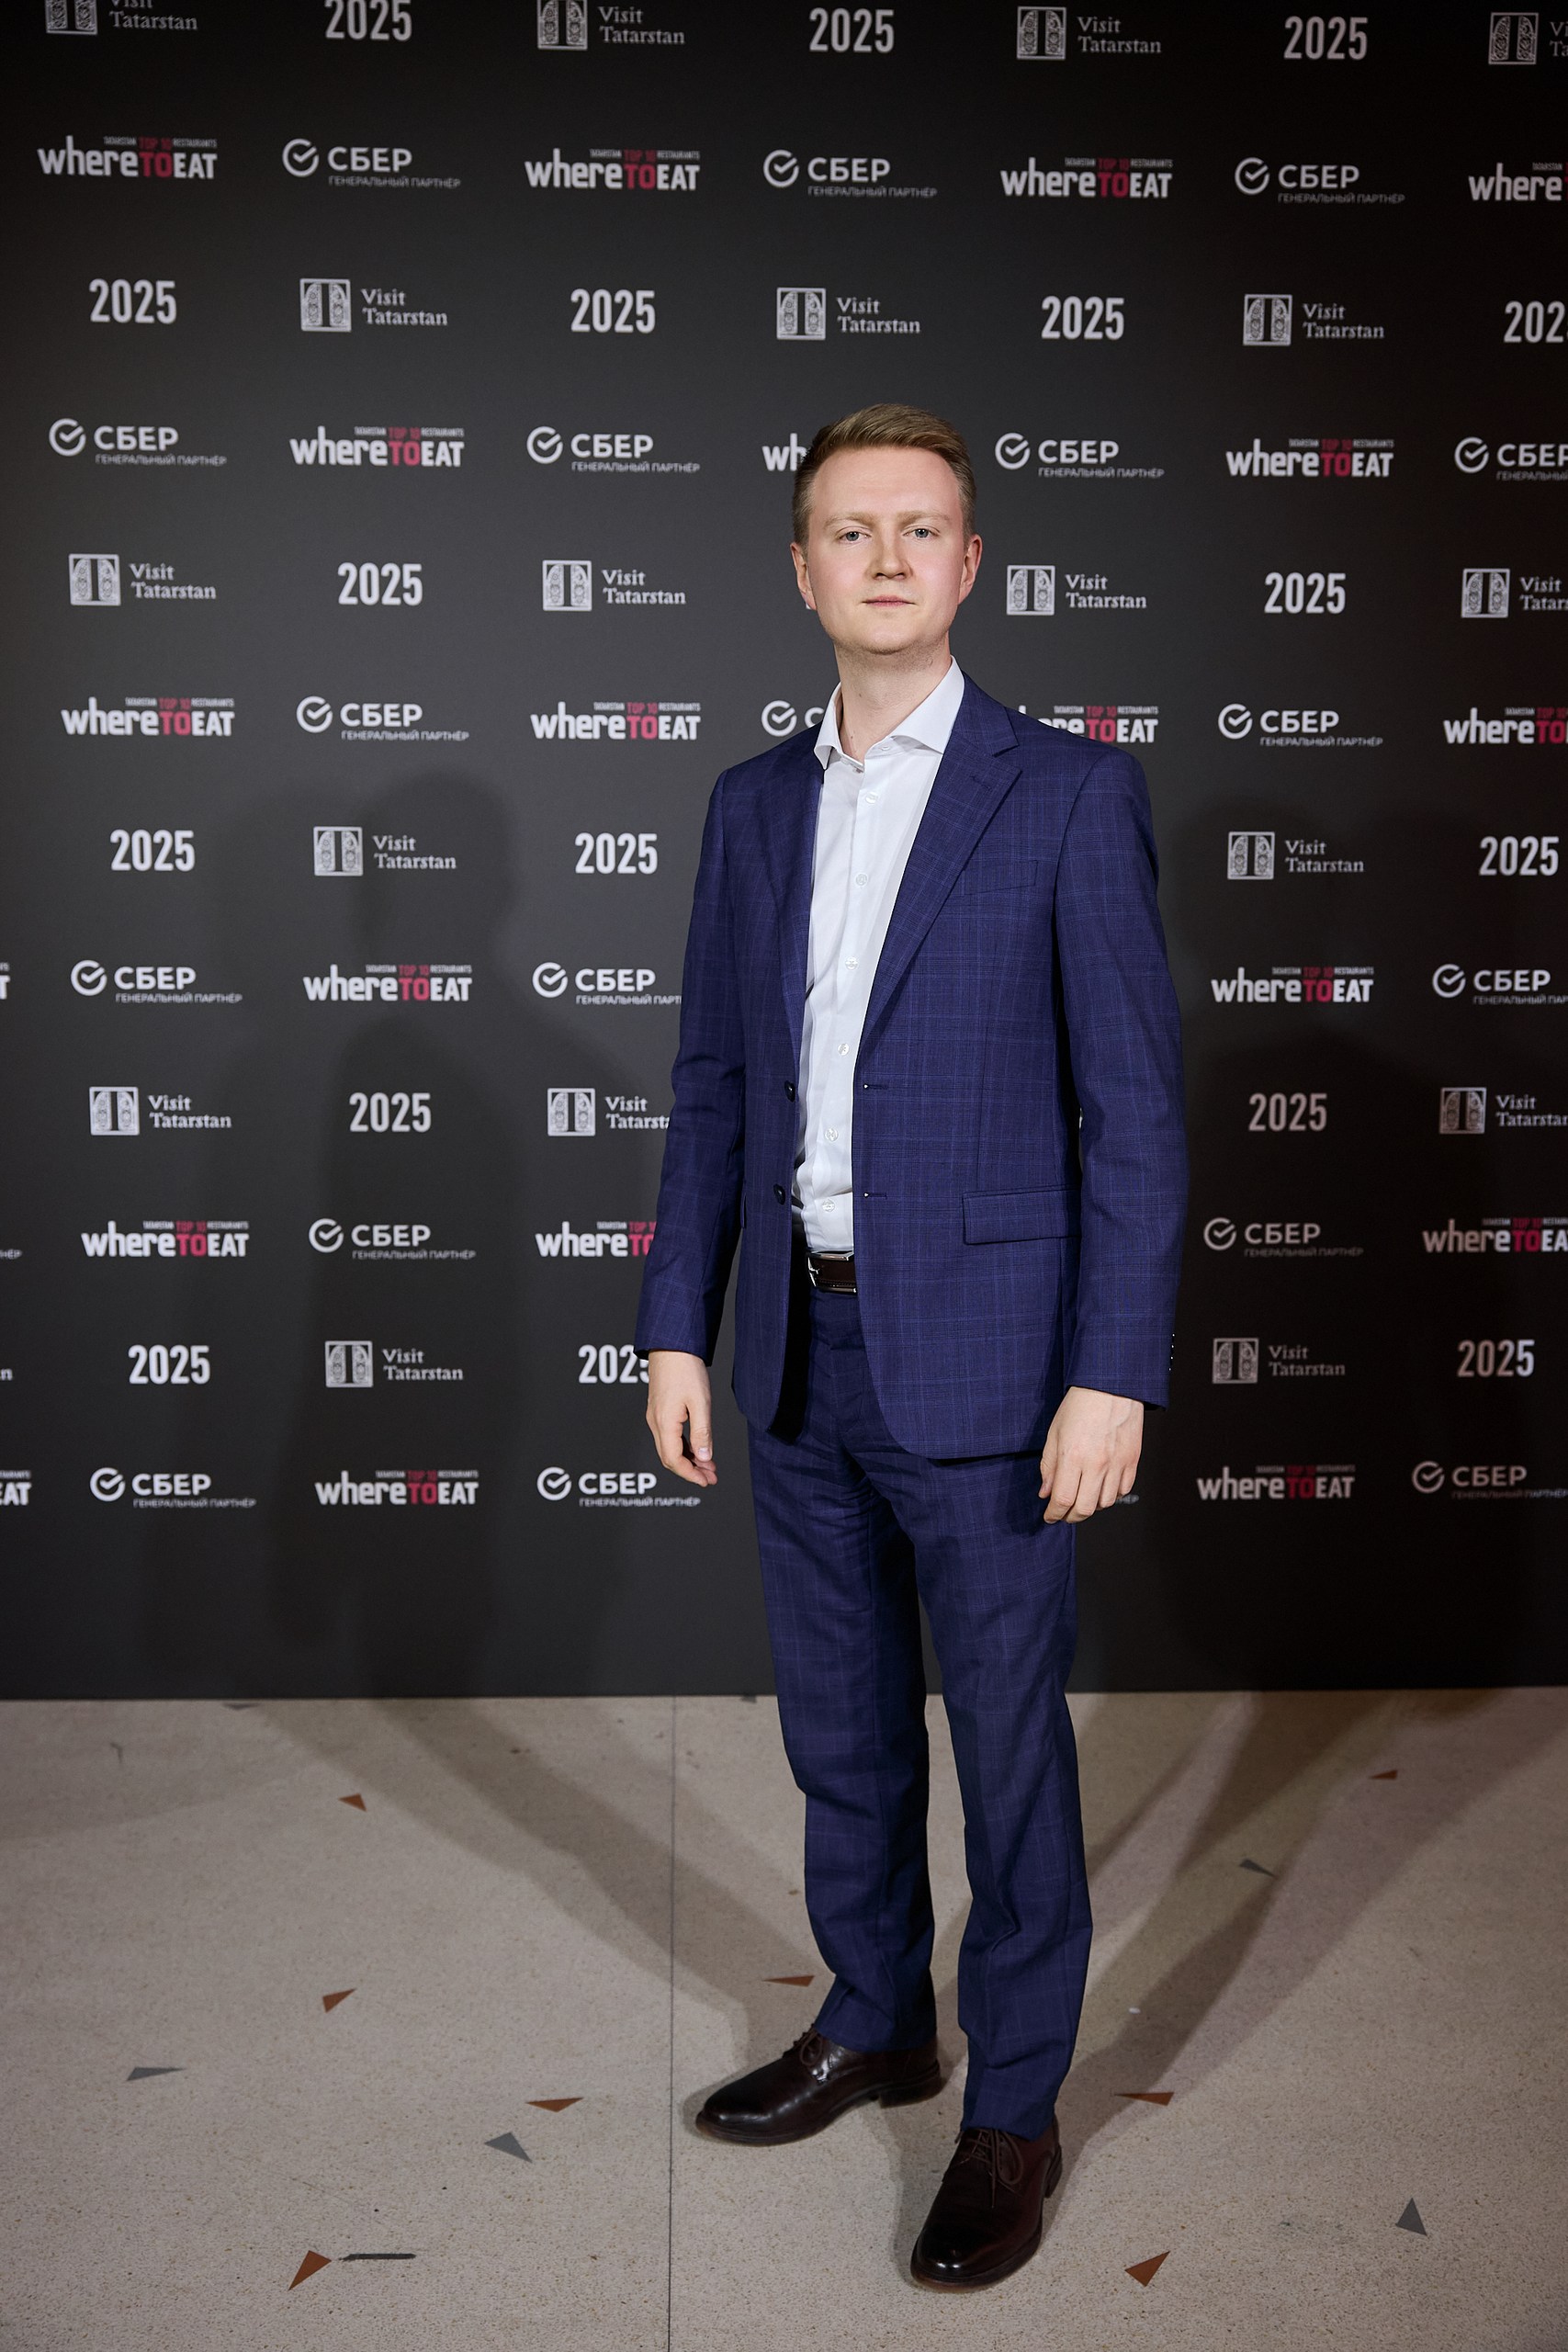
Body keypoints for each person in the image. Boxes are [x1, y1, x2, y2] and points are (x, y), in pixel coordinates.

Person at [634, 403, 1186, 2291]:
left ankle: (1012, 2104)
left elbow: (1134, 1114)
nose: (884, 557)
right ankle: (877, 2015)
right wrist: (677, 1329)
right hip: (799, 1353)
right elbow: (712, 1089)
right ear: (802, 570)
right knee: (842, 1734)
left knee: (1010, 1756)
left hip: (998, 1369)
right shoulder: (749, 805)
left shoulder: (1066, 793)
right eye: (849, 530)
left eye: (919, 528)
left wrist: (1112, 1369)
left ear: (968, 565)